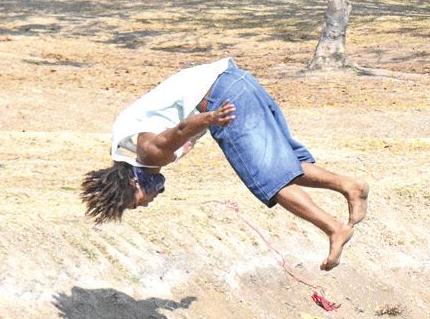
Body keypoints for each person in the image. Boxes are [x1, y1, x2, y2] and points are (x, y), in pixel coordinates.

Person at [80, 59, 369, 271]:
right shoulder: (127, 148)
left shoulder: (149, 155)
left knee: (265, 179)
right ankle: (349, 186)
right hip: (233, 79)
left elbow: (177, 132)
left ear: (132, 184)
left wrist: (210, 118)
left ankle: (333, 228)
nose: (143, 205)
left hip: (219, 96)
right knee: (280, 165)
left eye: (134, 204)